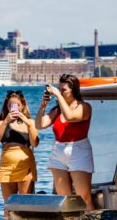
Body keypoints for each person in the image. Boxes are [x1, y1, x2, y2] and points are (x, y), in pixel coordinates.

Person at [35, 74, 94, 208]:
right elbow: (39, 124)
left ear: (74, 90)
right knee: (64, 198)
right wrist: (43, 105)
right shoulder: (57, 110)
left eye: (64, 90)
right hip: (58, 151)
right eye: (59, 89)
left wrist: (58, 95)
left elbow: (70, 117)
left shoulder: (84, 107)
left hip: (78, 150)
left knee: (83, 197)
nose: (60, 92)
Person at [0, 90, 39, 220]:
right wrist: (6, 121)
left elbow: (35, 143)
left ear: (23, 106)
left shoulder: (29, 123)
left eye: (17, 105)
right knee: (9, 204)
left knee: (25, 203)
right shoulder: (1, 123)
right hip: (7, 165)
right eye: (11, 105)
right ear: (6, 106)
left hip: (25, 164)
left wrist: (27, 122)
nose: (14, 108)